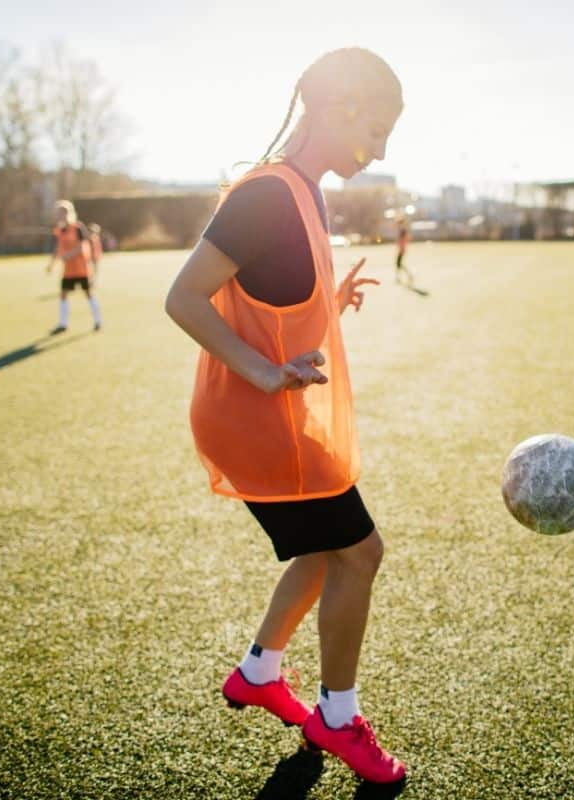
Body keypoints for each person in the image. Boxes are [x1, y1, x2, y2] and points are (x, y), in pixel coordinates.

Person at [164, 47, 405, 785]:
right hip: (254, 418)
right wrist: (266, 373)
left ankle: (260, 672)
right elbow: (183, 298)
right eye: (377, 131)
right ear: (340, 109)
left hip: (268, 413)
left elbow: (268, 300)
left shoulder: (303, 191)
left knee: (327, 549)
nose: (380, 151)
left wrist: (328, 305)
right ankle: (337, 717)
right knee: (360, 554)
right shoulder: (268, 194)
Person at [45, 200, 101, 333]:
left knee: (88, 293)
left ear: (69, 213)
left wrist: (69, 255)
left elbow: (82, 246)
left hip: (81, 268)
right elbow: (58, 248)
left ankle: (98, 321)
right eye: (59, 213)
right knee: (63, 295)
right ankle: (63, 323)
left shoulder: (77, 227)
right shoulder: (59, 230)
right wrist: (51, 264)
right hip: (68, 271)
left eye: (63, 212)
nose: (61, 215)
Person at [394, 216, 413, 286]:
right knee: (398, 264)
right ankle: (399, 277)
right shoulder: (402, 230)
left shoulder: (402, 230)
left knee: (398, 264)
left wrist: (402, 247)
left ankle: (408, 275)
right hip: (401, 249)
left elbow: (405, 239)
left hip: (401, 250)